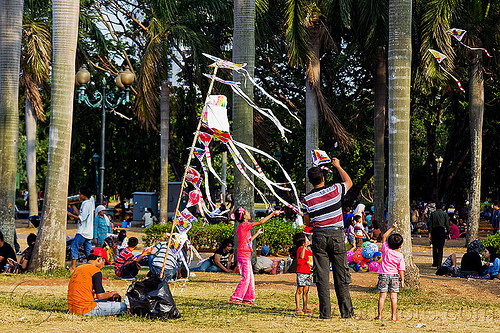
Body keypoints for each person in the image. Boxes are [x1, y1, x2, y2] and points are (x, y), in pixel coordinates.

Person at [301, 159, 358, 319]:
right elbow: (349, 182)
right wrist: (338, 166)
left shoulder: (306, 200)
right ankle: (347, 313)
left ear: (310, 182)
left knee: (322, 276)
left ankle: (325, 313)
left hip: (319, 236)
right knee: (341, 274)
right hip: (337, 235)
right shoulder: (335, 189)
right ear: (323, 179)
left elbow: (307, 222)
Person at [229, 207, 280, 305]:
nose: (249, 213)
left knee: (250, 278)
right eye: (247, 212)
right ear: (244, 216)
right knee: (246, 278)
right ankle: (235, 298)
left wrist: (257, 233)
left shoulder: (242, 227)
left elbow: (248, 240)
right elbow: (261, 222)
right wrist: (272, 214)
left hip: (245, 254)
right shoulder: (245, 225)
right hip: (244, 255)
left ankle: (248, 299)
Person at [67, 247, 126, 316]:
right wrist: (112, 293)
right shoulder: (95, 270)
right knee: (123, 306)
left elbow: (90, 294)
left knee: (107, 300)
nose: (103, 266)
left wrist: (107, 294)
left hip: (73, 309)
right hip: (86, 309)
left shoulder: (78, 268)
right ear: (99, 259)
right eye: (104, 262)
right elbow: (100, 296)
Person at [375, 222, 405, 322]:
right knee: (394, 297)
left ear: (388, 243)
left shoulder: (386, 250)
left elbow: (384, 236)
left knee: (382, 296)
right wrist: (402, 280)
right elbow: (401, 269)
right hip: (395, 277)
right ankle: (393, 317)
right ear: (400, 246)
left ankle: (379, 316)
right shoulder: (400, 256)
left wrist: (392, 228)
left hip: (383, 275)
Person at [68, 186, 95, 272]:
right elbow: (80, 214)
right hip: (88, 232)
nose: (79, 196)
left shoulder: (86, 204)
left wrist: (69, 214)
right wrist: (73, 206)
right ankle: (93, 266)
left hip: (83, 231)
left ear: (84, 195)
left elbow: (81, 218)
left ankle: (73, 266)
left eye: (80, 194)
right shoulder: (87, 203)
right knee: (88, 250)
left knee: (74, 246)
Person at [293, 232, 313, 314]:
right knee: (299, 290)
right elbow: (301, 256)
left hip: (308, 272)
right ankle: (298, 307)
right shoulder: (300, 249)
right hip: (301, 272)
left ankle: (305, 307)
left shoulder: (309, 251)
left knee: (306, 291)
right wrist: (304, 247)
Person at [428, 202, 449, 267]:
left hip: (434, 231)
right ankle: (439, 264)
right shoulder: (444, 214)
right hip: (442, 231)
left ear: (436, 207)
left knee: (435, 247)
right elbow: (447, 224)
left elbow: (430, 224)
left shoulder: (433, 214)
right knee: (440, 248)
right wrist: (448, 233)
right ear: (442, 207)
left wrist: (429, 233)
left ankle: (435, 262)